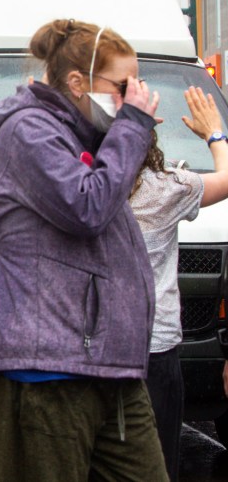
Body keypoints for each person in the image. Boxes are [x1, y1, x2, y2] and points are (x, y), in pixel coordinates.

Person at [0, 19, 164, 481]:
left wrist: (125, 130)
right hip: (47, 367)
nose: (135, 96)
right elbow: (86, 206)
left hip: (106, 363)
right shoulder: (29, 132)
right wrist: (131, 127)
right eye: (122, 85)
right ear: (77, 82)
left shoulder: (85, 133)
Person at [131, 86, 228, 481]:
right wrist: (215, 134)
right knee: (157, 460)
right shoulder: (168, 187)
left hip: (94, 348)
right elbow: (225, 177)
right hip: (156, 349)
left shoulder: (79, 188)